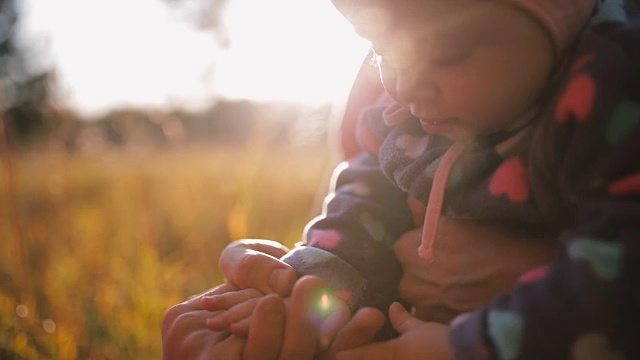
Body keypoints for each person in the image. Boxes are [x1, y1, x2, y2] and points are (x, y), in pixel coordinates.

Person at [164, 0, 640, 358]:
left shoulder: (609, 94)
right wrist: (306, 291)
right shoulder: (404, 113)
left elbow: (619, 277)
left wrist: (466, 345)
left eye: (448, 53)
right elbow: (363, 213)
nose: (403, 85)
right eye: (380, 48)